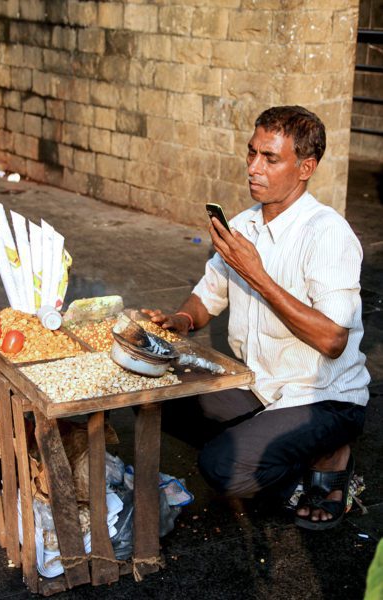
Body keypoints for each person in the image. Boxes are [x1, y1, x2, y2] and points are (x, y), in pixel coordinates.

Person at [143, 105, 370, 531]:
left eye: (270, 158)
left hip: (321, 398)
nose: (253, 168)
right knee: (157, 394)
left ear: (306, 168)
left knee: (222, 468)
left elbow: (333, 339)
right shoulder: (243, 225)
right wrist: (180, 320)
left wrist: (257, 276)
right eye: (251, 154)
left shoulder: (327, 233)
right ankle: (272, 442)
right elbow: (206, 297)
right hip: (261, 387)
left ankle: (328, 457)